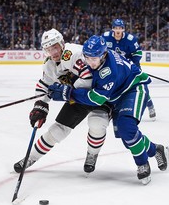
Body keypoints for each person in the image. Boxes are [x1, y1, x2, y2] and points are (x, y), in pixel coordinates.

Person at [48, 35, 169, 184]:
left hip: (132, 89)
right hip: (115, 96)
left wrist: (69, 93)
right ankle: (155, 149)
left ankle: (142, 163)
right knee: (128, 138)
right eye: (87, 58)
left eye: (94, 59)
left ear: (103, 55)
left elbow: (96, 99)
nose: (90, 62)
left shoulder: (108, 71)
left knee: (127, 129)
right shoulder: (97, 56)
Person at [13, 29, 111, 174]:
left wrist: (66, 91)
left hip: (99, 94)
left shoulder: (73, 54)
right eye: (48, 49)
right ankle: (31, 157)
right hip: (78, 97)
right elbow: (43, 85)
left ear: (62, 44)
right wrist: (41, 105)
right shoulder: (49, 65)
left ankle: (92, 154)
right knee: (57, 130)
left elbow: (88, 79)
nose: (53, 52)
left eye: (55, 47)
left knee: (97, 124)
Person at [102, 19, 156, 120]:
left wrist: (130, 65)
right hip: (114, 67)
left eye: (120, 28)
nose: (118, 30)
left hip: (131, 66)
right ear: (112, 29)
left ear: (123, 29)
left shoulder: (130, 39)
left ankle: (150, 106)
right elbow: (101, 51)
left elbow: (138, 53)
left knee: (139, 86)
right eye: (116, 28)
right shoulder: (105, 37)